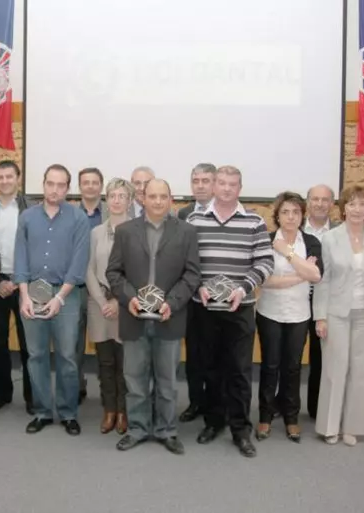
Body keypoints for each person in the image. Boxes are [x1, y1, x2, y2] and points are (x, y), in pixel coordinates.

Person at [106, 179, 200, 455]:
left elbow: (192, 274)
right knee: (134, 380)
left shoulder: (186, 232)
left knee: (167, 381)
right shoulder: (124, 231)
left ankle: (167, 430)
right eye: (152, 196)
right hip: (134, 316)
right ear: (142, 199)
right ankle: (137, 429)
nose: (158, 201)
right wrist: (130, 298)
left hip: (169, 317)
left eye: (163, 196)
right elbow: (113, 273)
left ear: (171, 199)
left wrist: (172, 302)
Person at [187, 165, 274, 458]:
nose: (225, 189)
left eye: (232, 184)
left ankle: (240, 430)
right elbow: (187, 262)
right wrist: (197, 285)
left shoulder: (254, 222)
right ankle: (213, 422)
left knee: (238, 372)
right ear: (213, 186)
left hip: (240, 308)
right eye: (221, 183)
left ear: (239, 188)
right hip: (205, 308)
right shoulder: (195, 219)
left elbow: (264, 262)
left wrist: (243, 288)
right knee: (210, 370)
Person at [14, 164, 90, 436]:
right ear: (43, 184)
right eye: (50, 183)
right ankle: (43, 412)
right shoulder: (27, 217)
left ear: (67, 188)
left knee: (68, 357)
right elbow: (19, 257)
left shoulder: (78, 218)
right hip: (31, 294)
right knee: (36, 356)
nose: (55, 189)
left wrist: (59, 297)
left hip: (67, 296)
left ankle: (68, 413)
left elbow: (79, 263)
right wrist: (23, 295)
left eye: (61, 185)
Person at [313, 185, 364, 446]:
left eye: (362, 204)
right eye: (352, 204)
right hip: (336, 313)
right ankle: (329, 426)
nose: (357, 209)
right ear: (343, 208)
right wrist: (320, 317)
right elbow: (323, 281)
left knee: (360, 372)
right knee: (335, 370)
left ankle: (353, 427)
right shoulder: (331, 238)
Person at [255, 192, 322, 443]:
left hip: (299, 314)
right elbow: (265, 279)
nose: (290, 217)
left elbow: (317, 275)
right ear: (278, 215)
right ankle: (265, 415)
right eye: (285, 212)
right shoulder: (267, 239)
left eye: (295, 212)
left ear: (302, 215)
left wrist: (287, 253)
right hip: (269, 312)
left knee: (292, 368)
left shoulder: (311, 241)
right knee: (270, 365)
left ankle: (292, 418)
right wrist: (300, 273)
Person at [0, 160, 34, 414]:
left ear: (18, 178)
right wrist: (0, 281)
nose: (4, 181)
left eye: (9, 176)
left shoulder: (32, 209)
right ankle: (2, 392)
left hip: (25, 285)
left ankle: (33, 396)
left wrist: (18, 281)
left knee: (29, 344)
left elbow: (38, 250)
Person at [85, 178, 132, 434]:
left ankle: (124, 411)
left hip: (126, 305)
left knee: (124, 363)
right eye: (112, 195)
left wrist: (118, 300)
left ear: (130, 201)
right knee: (104, 363)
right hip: (98, 304)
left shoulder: (138, 230)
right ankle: (109, 410)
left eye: (121, 196)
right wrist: (104, 301)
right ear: (107, 200)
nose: (116, 200)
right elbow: (89, 269)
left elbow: (139, 271)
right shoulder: (95, 233)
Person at [176, 163, 216, 423]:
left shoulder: (223, 211)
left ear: (214, 184)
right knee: (193, 354)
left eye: (205, 181)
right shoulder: (183, 214)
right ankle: (195, 402)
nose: (200, 185)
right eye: (196, 181)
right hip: (190, 296)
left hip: (217, 297)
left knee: (215, 354)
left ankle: (213, 404)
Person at [303, 184, 339, 419]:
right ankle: (281, 403)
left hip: (327, 303)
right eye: (315, 199)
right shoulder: (292, 229)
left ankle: (317, 407)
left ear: (333, 205)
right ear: (308, 203)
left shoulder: (340, 232)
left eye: (325, 199)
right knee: (288, 357)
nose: (319, 203)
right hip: (295, 299)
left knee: (321, 356)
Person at [76, 167, 109, 403]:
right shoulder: (69, 213)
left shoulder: (112, 211)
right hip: (75, 286)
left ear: (101, 186)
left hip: (103, 287)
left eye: (94, 182)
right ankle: (77, 385)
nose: (90, 186)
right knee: (74, 341)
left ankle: (107, 390)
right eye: (85, 182)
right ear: (79, 187)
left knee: (105, 343)